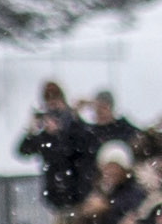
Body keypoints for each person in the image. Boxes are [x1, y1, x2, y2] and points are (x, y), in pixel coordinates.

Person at [18, 81, 102, 213]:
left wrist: (65, 127)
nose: (52, 106)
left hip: (77, 192)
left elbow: (81, 147)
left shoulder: (75, 126)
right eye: (49, 101)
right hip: (56, 196)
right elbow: (23, 150)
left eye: (55, 99)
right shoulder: (46, 134)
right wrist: (32, 130)